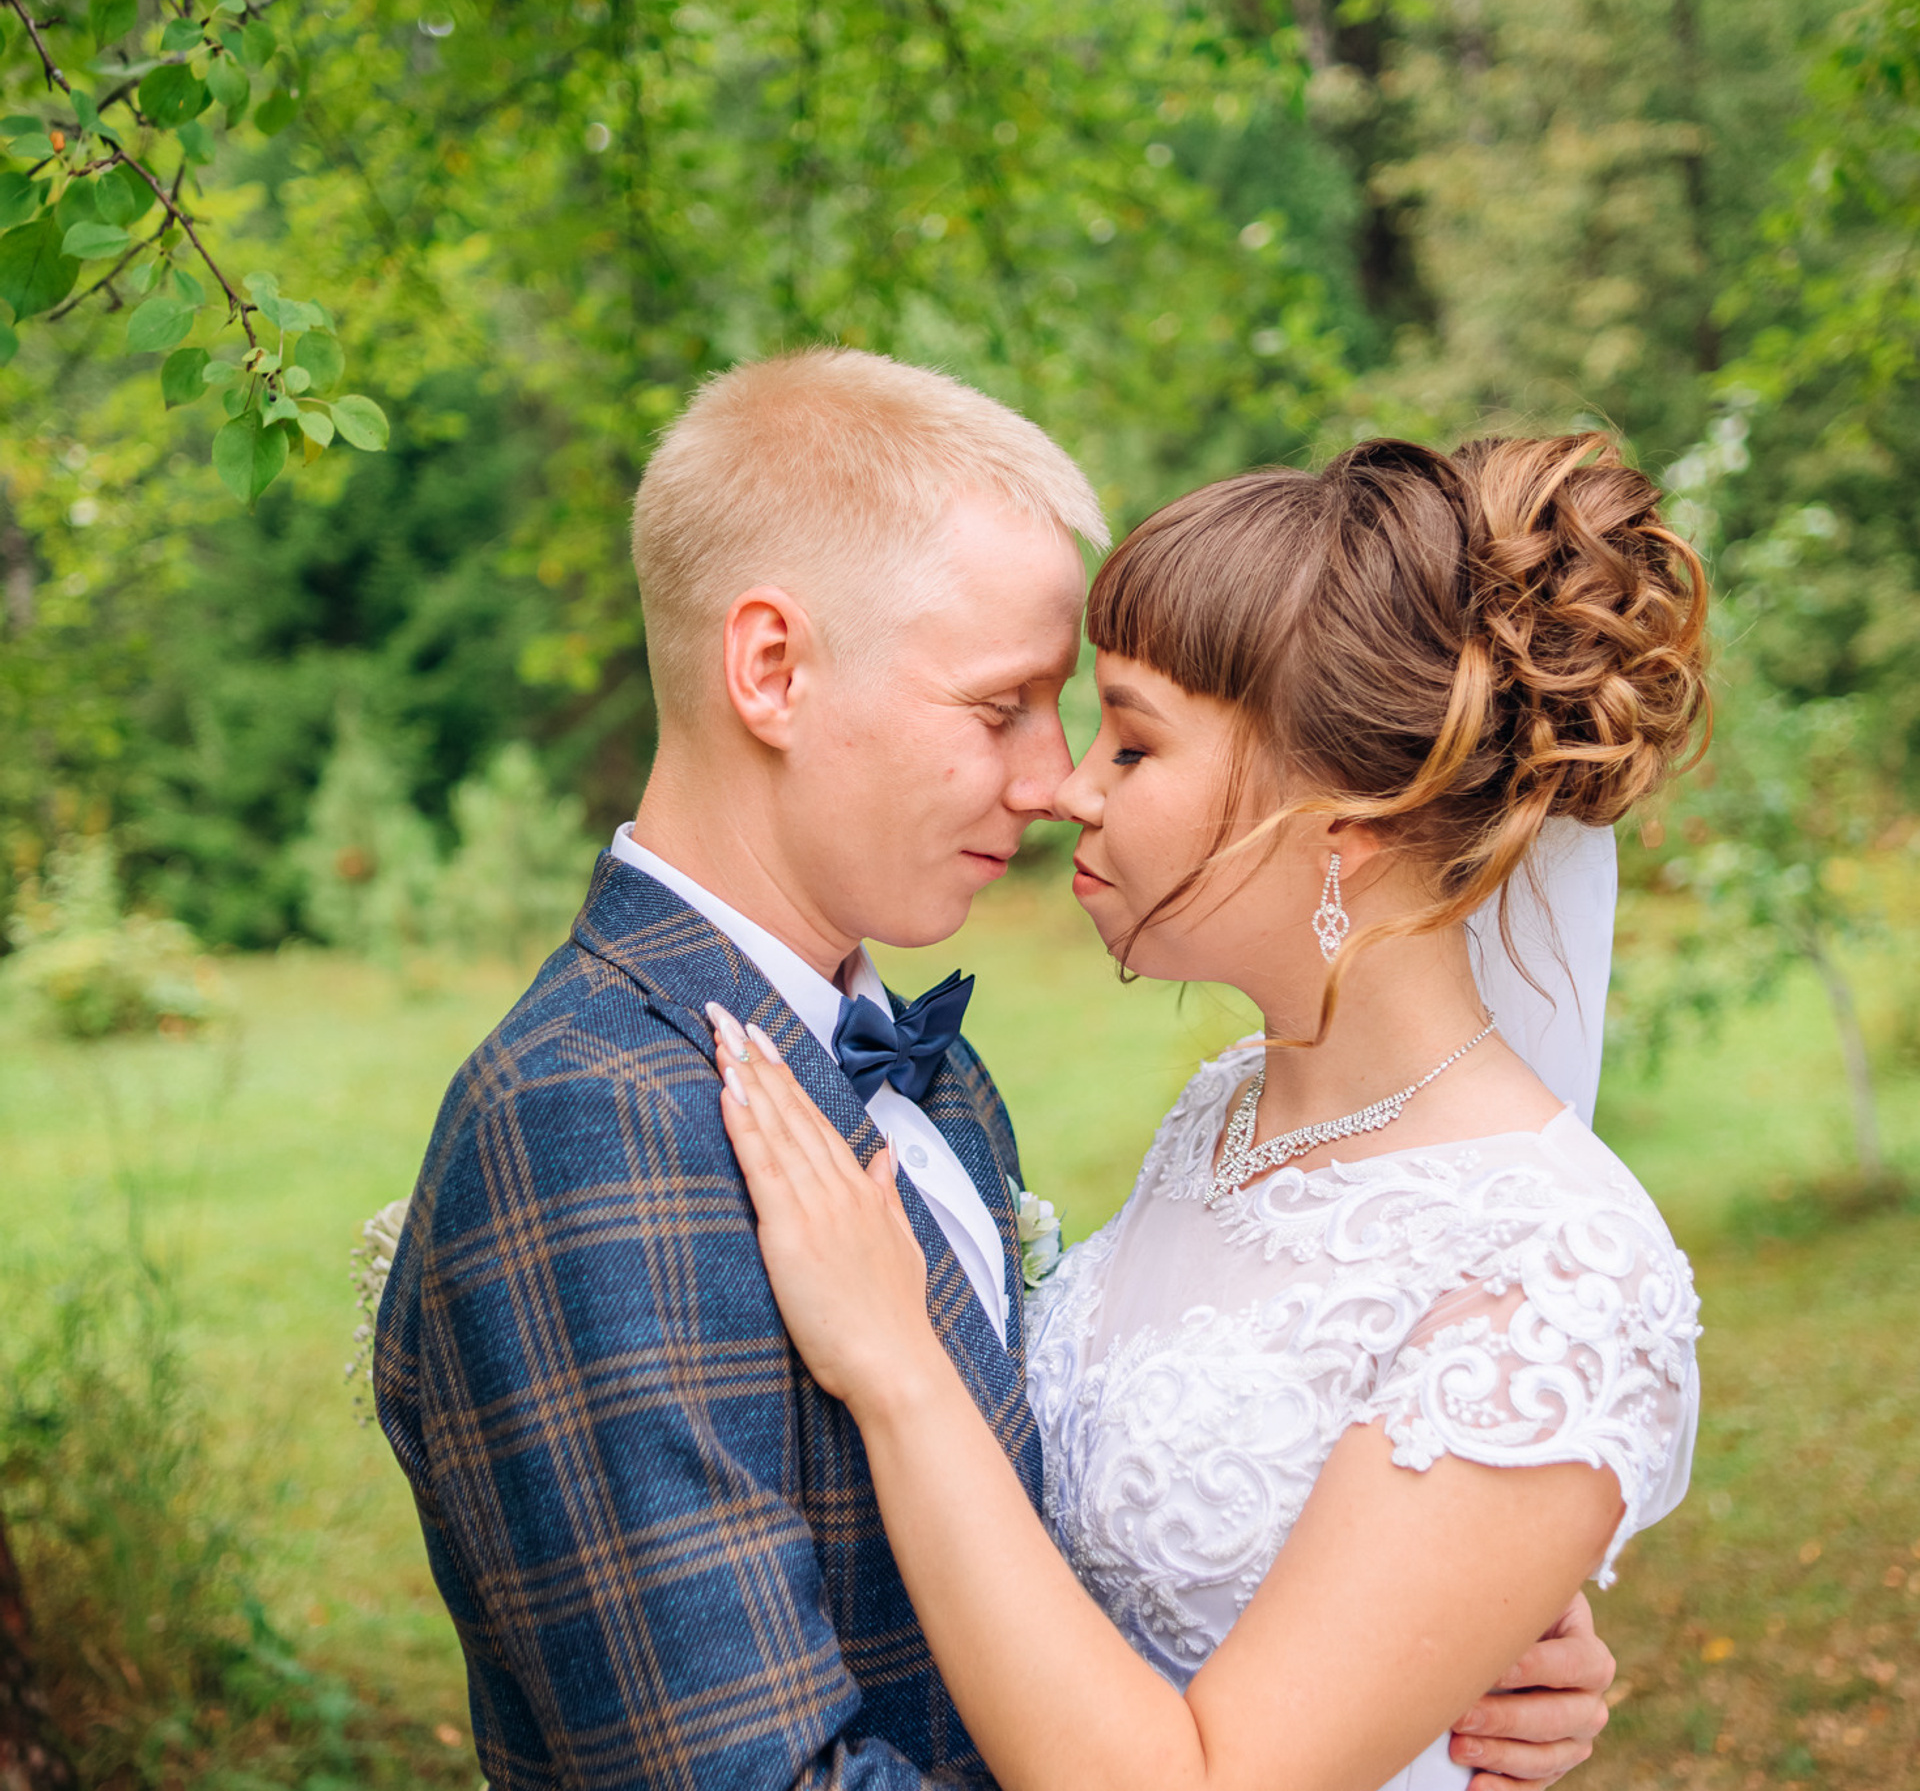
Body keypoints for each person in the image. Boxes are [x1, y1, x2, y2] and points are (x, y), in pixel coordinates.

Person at [374, 353, 1623, 1790]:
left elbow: (1063, 1547)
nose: (1051, 781)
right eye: (1000, 707)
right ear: (771, 669)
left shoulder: (936, 1079)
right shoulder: (584, 1123)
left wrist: (1426, 1628)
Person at [704, 433, 1708, 1791]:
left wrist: (898, 1371)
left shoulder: (1557, 1275)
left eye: (1133, 740)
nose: (1066, 787)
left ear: (1342, 816)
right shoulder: (1229, 1113)